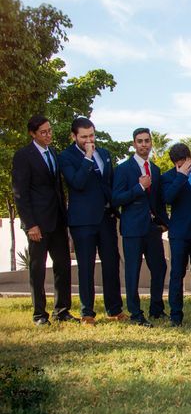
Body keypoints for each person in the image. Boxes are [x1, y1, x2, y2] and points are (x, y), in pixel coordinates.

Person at [11, 115, 77, 326]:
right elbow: (20, 193)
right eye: (43, 132)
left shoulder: (53, 154)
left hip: (58, 219)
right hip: (37, 223)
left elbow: (57, 188)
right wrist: (30, 224)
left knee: (63, 265)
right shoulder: (24, 156)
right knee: (38, 268)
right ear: (33, 133)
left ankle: (62, 310)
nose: (48, 135)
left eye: (49, 130)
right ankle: (40, 314)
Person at [59, 117, 124, 326]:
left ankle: (114, 309)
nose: (89, 140)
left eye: (92, 135)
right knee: (86, 267)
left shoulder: (104, 154)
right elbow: (77, 183)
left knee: (111, 264)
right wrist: (87, 157)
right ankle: (87, 312)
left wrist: (114, 209)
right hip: (83, 221)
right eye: (84, 136)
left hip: (106, 218)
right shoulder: (66, 156)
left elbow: (109, 183)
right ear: (74, 136)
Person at [112, 128, 169, 327]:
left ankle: (156, 308)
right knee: (133, 271)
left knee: (160, 268)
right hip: (132, 229)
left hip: (152, 229)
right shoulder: (123, 169)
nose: (144, 144)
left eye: (147, 141)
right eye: (140, 141)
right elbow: (116, 199)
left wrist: (163, 223)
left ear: (151, 143)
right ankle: (136, 313)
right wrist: (139, 187)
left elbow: (158, 201)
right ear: (134, 144)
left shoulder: (154, 169)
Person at [161, 143, 191, 327]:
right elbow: (167, 198)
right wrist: (181, 176)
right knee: (177, 274)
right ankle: (176, 314)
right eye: (178, 163)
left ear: (190, 158)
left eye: (185, 162)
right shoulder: (169, 177)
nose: (182, 165)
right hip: (180, 233)